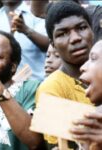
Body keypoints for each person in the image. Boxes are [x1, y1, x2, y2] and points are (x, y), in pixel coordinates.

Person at [36, 1, 94, 149]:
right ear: (53, 44)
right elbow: (59, 146)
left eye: (81, 28)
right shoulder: (51, 89)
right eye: (62, 33)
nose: (75, 38)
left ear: (92, 30)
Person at [0, 0, 49, 81]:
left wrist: (26, 29)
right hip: (7, 86)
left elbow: (49, 45)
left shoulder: (36, 12)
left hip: (37, 83)